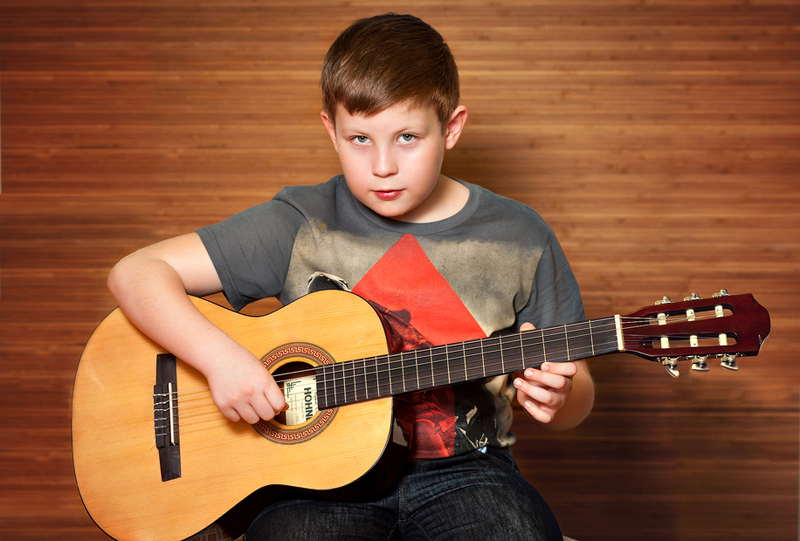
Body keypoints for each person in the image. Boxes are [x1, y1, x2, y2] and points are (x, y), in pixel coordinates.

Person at [108, 13, 594, 541]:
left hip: (468, 471)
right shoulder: (300, 223)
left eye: (407, 137)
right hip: (314, 480)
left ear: (451, 128)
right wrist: (220, 360)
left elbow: (579, 396)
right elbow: (135, 274)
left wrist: (560, 396)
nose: (383, 165)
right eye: (360, 138)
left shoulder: (519, 235)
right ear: (331, 131)